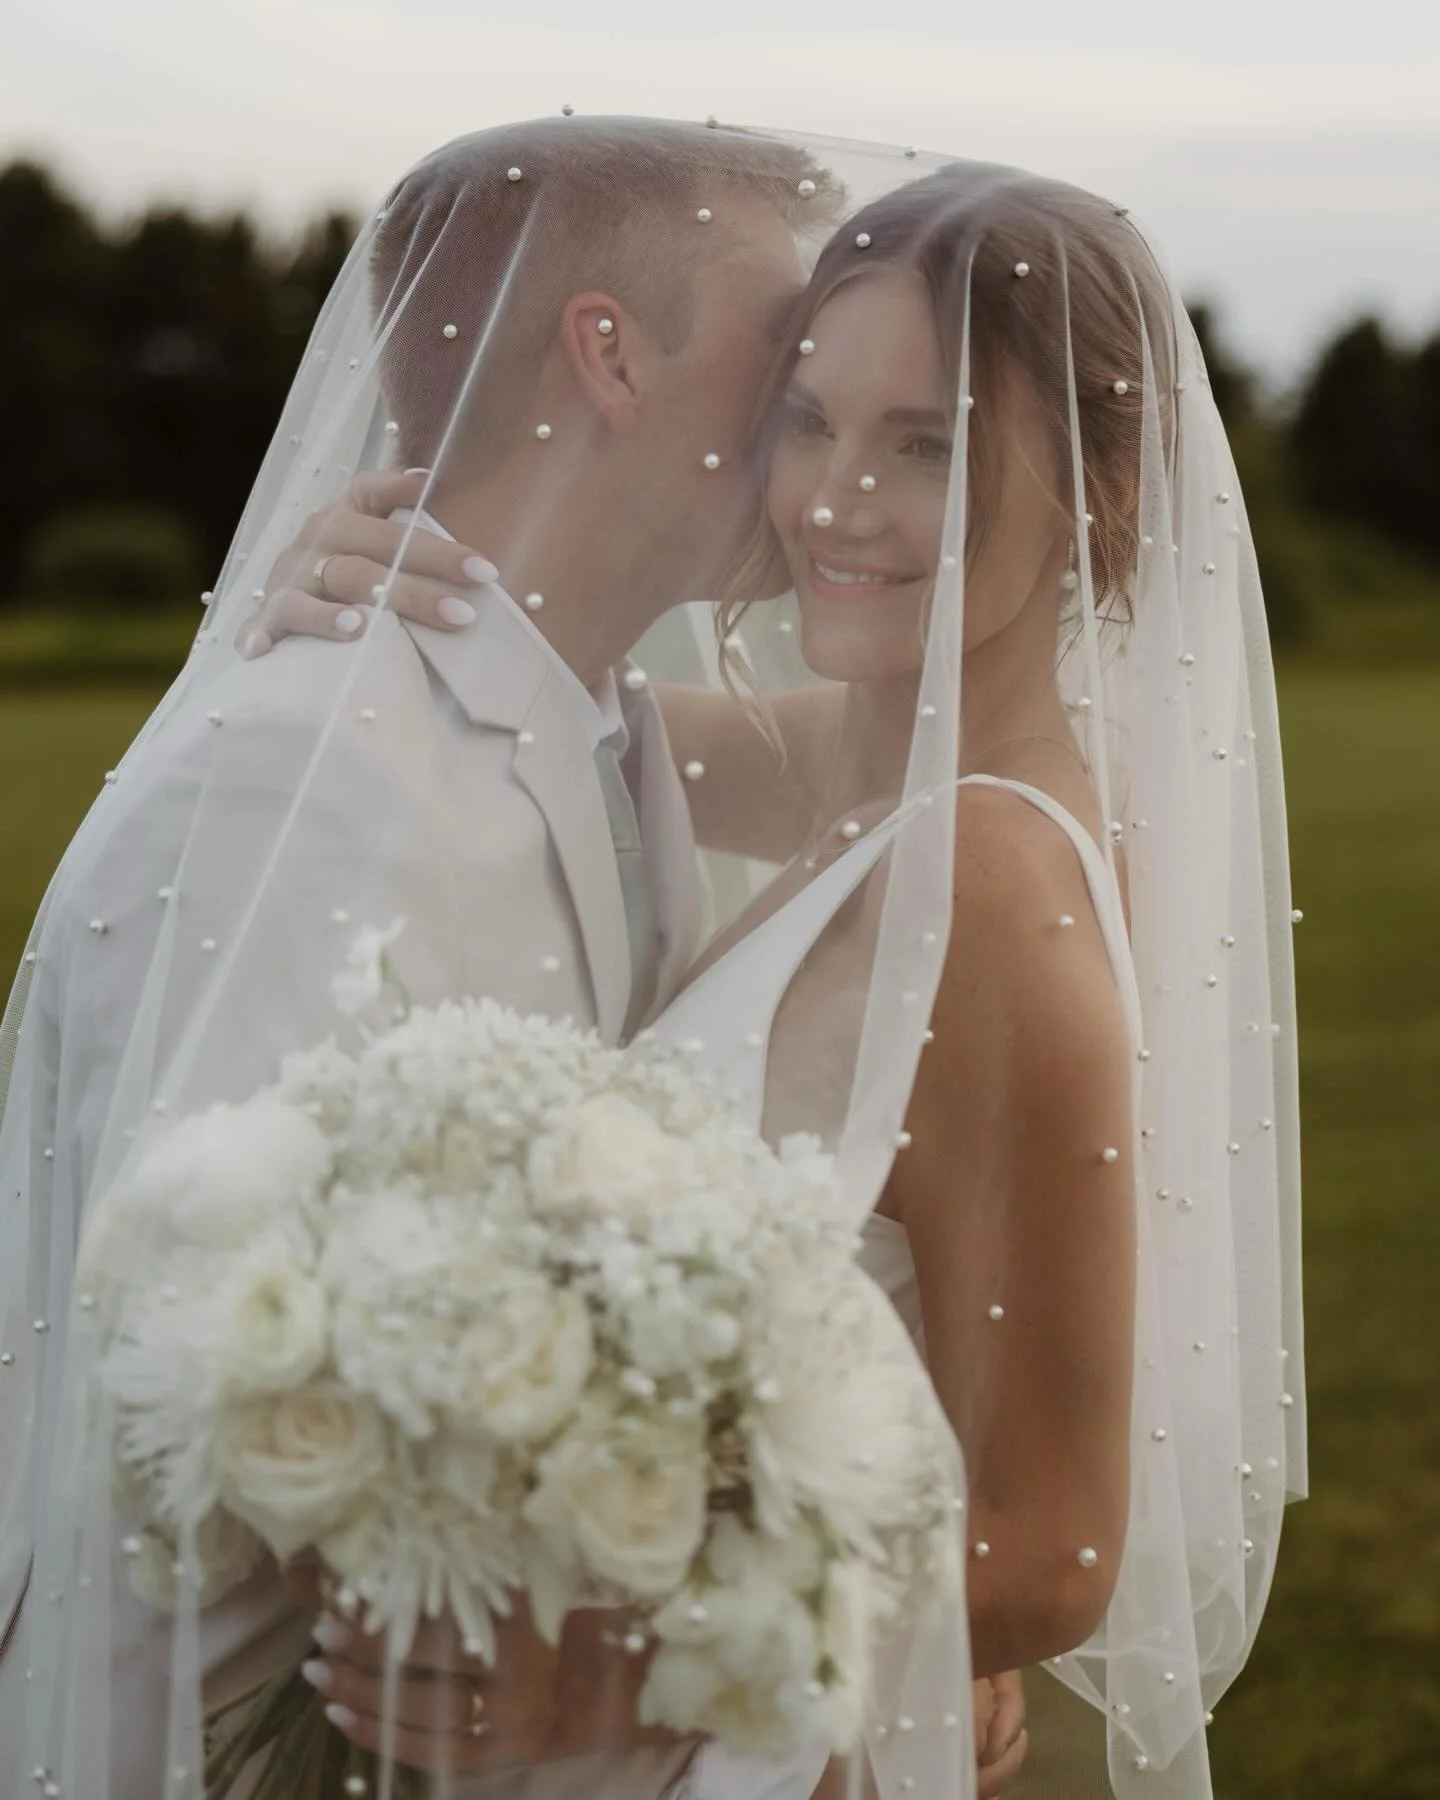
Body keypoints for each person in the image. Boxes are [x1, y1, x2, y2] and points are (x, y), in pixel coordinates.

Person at [251, 150, 1306, 1800]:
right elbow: (554, 698)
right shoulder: (867, 770)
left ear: (1103, 491)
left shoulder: (996, 878)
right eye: (807, 419)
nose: (831, 500)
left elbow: (1049, 1552)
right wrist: (354, 578)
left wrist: (597, 1678)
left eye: (927, 448)